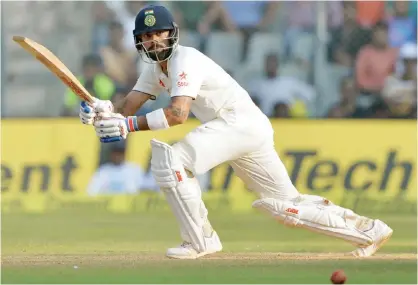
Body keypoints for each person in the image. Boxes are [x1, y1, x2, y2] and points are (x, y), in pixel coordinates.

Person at [78, 5, 393, 259]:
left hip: (237, 124)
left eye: (159, 32)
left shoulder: (184, 59)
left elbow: (178, 114)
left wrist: (128, 126)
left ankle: (201, 241)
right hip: (243, 128)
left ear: (172, 33)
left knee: (171, 160)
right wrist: (101, 112)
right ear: (138, 42)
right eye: (146, 36)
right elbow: (127, 106)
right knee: (285, 207)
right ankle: (370, 230)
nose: (154, 40)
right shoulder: (153, 71)